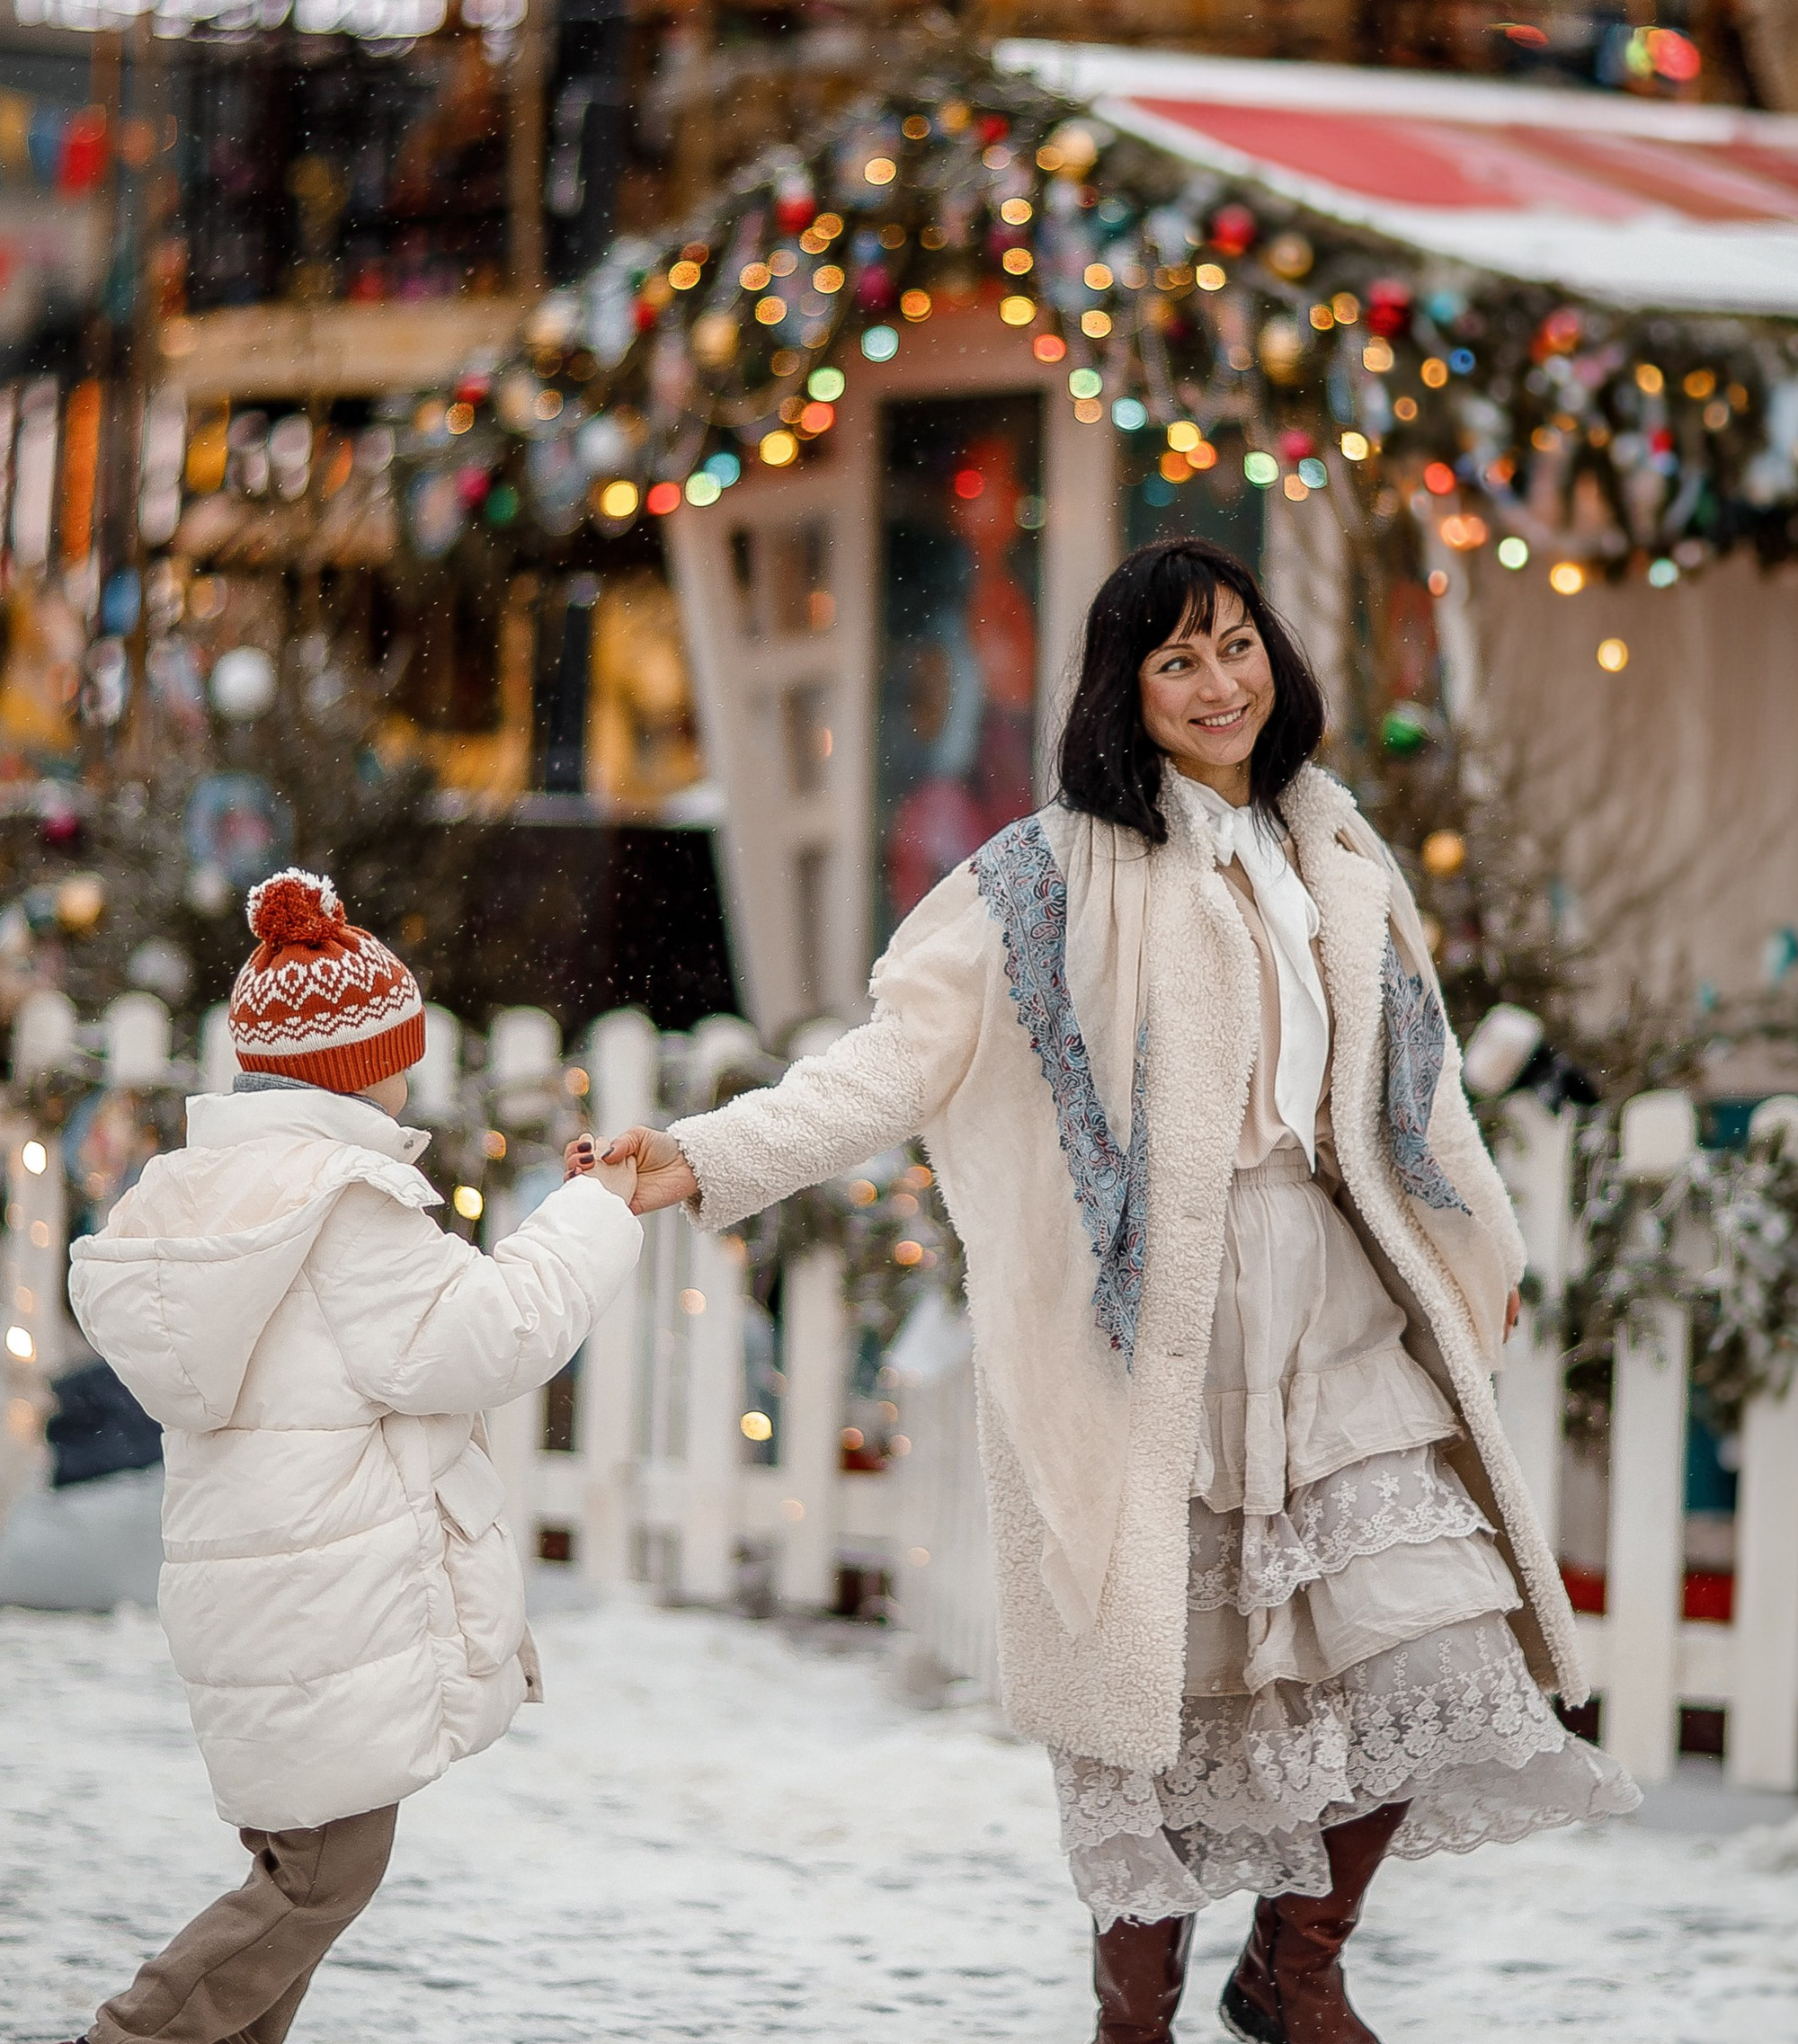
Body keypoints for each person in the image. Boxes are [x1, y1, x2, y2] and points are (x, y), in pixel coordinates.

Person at [574, 538, 1635, 2043]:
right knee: (1165, 1692)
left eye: (1238, 647)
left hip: (1339, 1306)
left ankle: (1296, 1970)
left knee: (1432, 1636)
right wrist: (694, 1157)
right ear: (1122, 693)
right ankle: (1132, 2020)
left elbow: (1423, 1083)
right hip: (1157, 1331)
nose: (1222, 686)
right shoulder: (1041, 879)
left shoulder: (1333, 844)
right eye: (1178, 661)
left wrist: (1483, 1253)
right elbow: (894, 1060)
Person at [63, 867, 643, 2044]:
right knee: (321, 1877)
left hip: (263, 1602)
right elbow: (492, 1334)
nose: (409, 1073)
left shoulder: (220, 1195)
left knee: (308, 1868)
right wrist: (595, 1214)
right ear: (352, 1070)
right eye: (398, 1051)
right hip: (322, 1604)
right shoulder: (346, 1205)